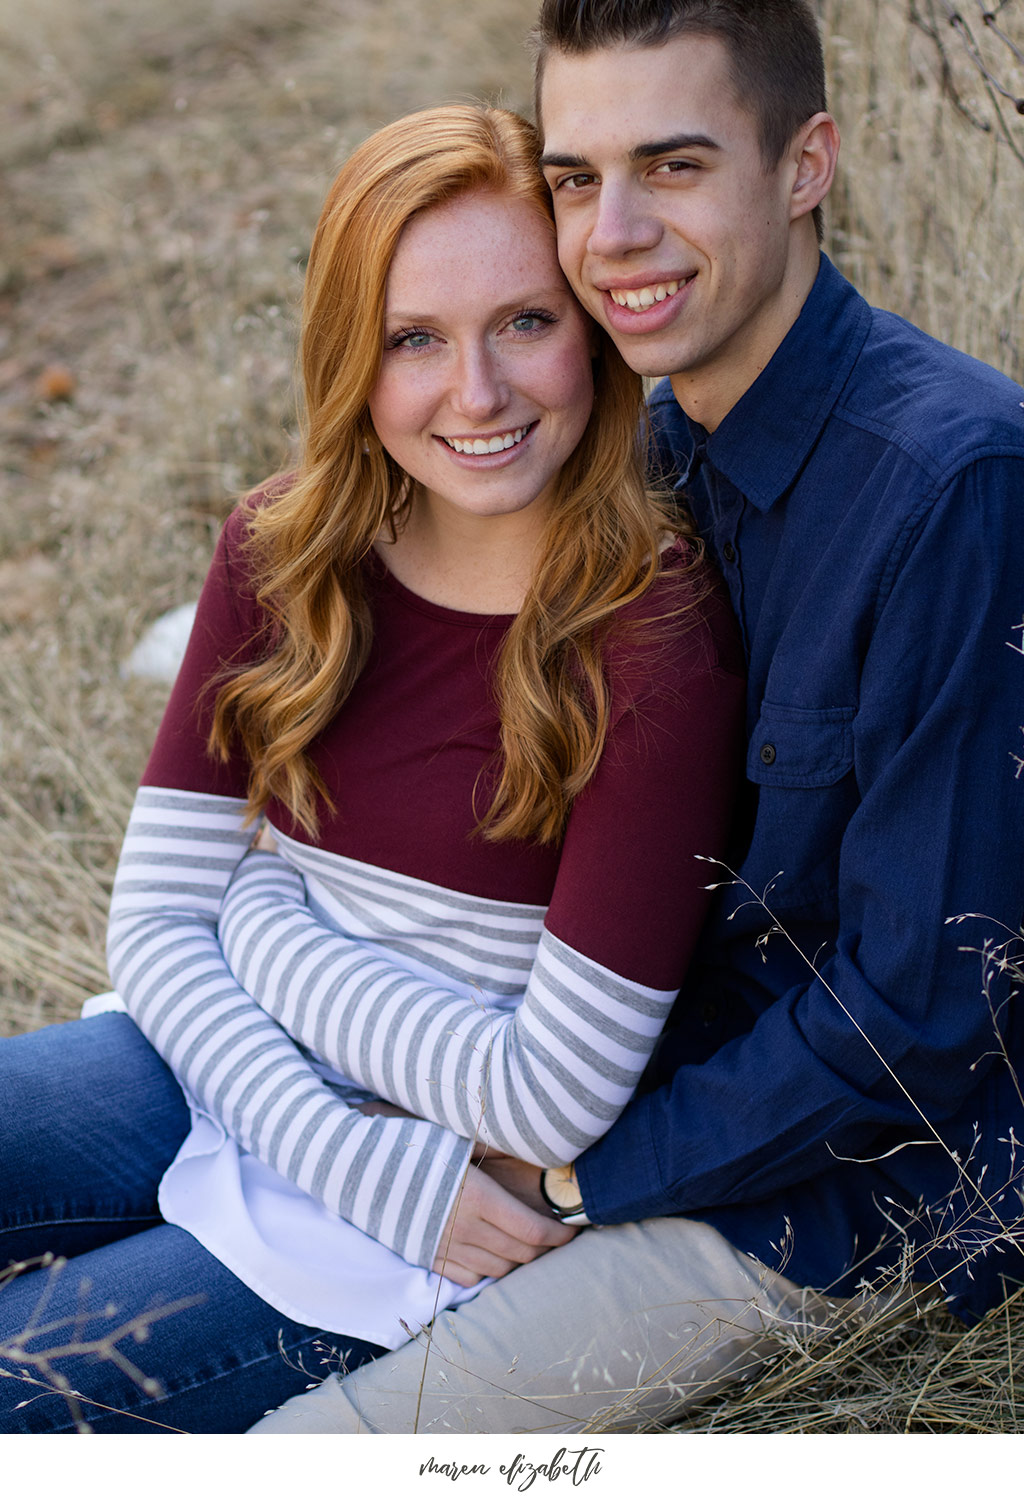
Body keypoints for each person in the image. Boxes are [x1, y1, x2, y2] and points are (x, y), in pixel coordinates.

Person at [251, 0, 1024, 1435]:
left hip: (815, 1191)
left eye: (672, 166)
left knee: (306, 1456)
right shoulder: (651, 443)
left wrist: (566, 1175)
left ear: (806, 165)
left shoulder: (956, 488)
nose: (609, 234)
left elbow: (919, 1015)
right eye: (575, 177)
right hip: (566, 1070)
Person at [0, 103, 744, 1433]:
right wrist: (332, 1133)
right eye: (416, 339)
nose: (478, 394)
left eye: (525, 321)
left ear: (594, 325)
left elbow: (548, 1094)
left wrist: (261, 918)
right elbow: (157, 925)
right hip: (225, 1064)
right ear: (356, 355)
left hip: (429, 1209)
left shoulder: (653, 638)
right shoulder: (282, 553)